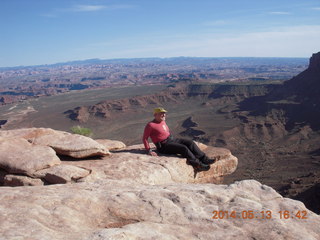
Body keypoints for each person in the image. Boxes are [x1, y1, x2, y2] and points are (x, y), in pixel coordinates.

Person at [142, 107, 215, 172]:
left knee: (190, 142)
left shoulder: (162, 121)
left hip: (171, 140)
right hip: (163, 146)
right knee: (183, 148)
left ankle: (204, 159)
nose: (164, 115)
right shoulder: (150, 125)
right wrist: (149, 150)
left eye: (164, 113)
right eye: (161, 114)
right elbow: (145, 138)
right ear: (155, 115)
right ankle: (198, 165)